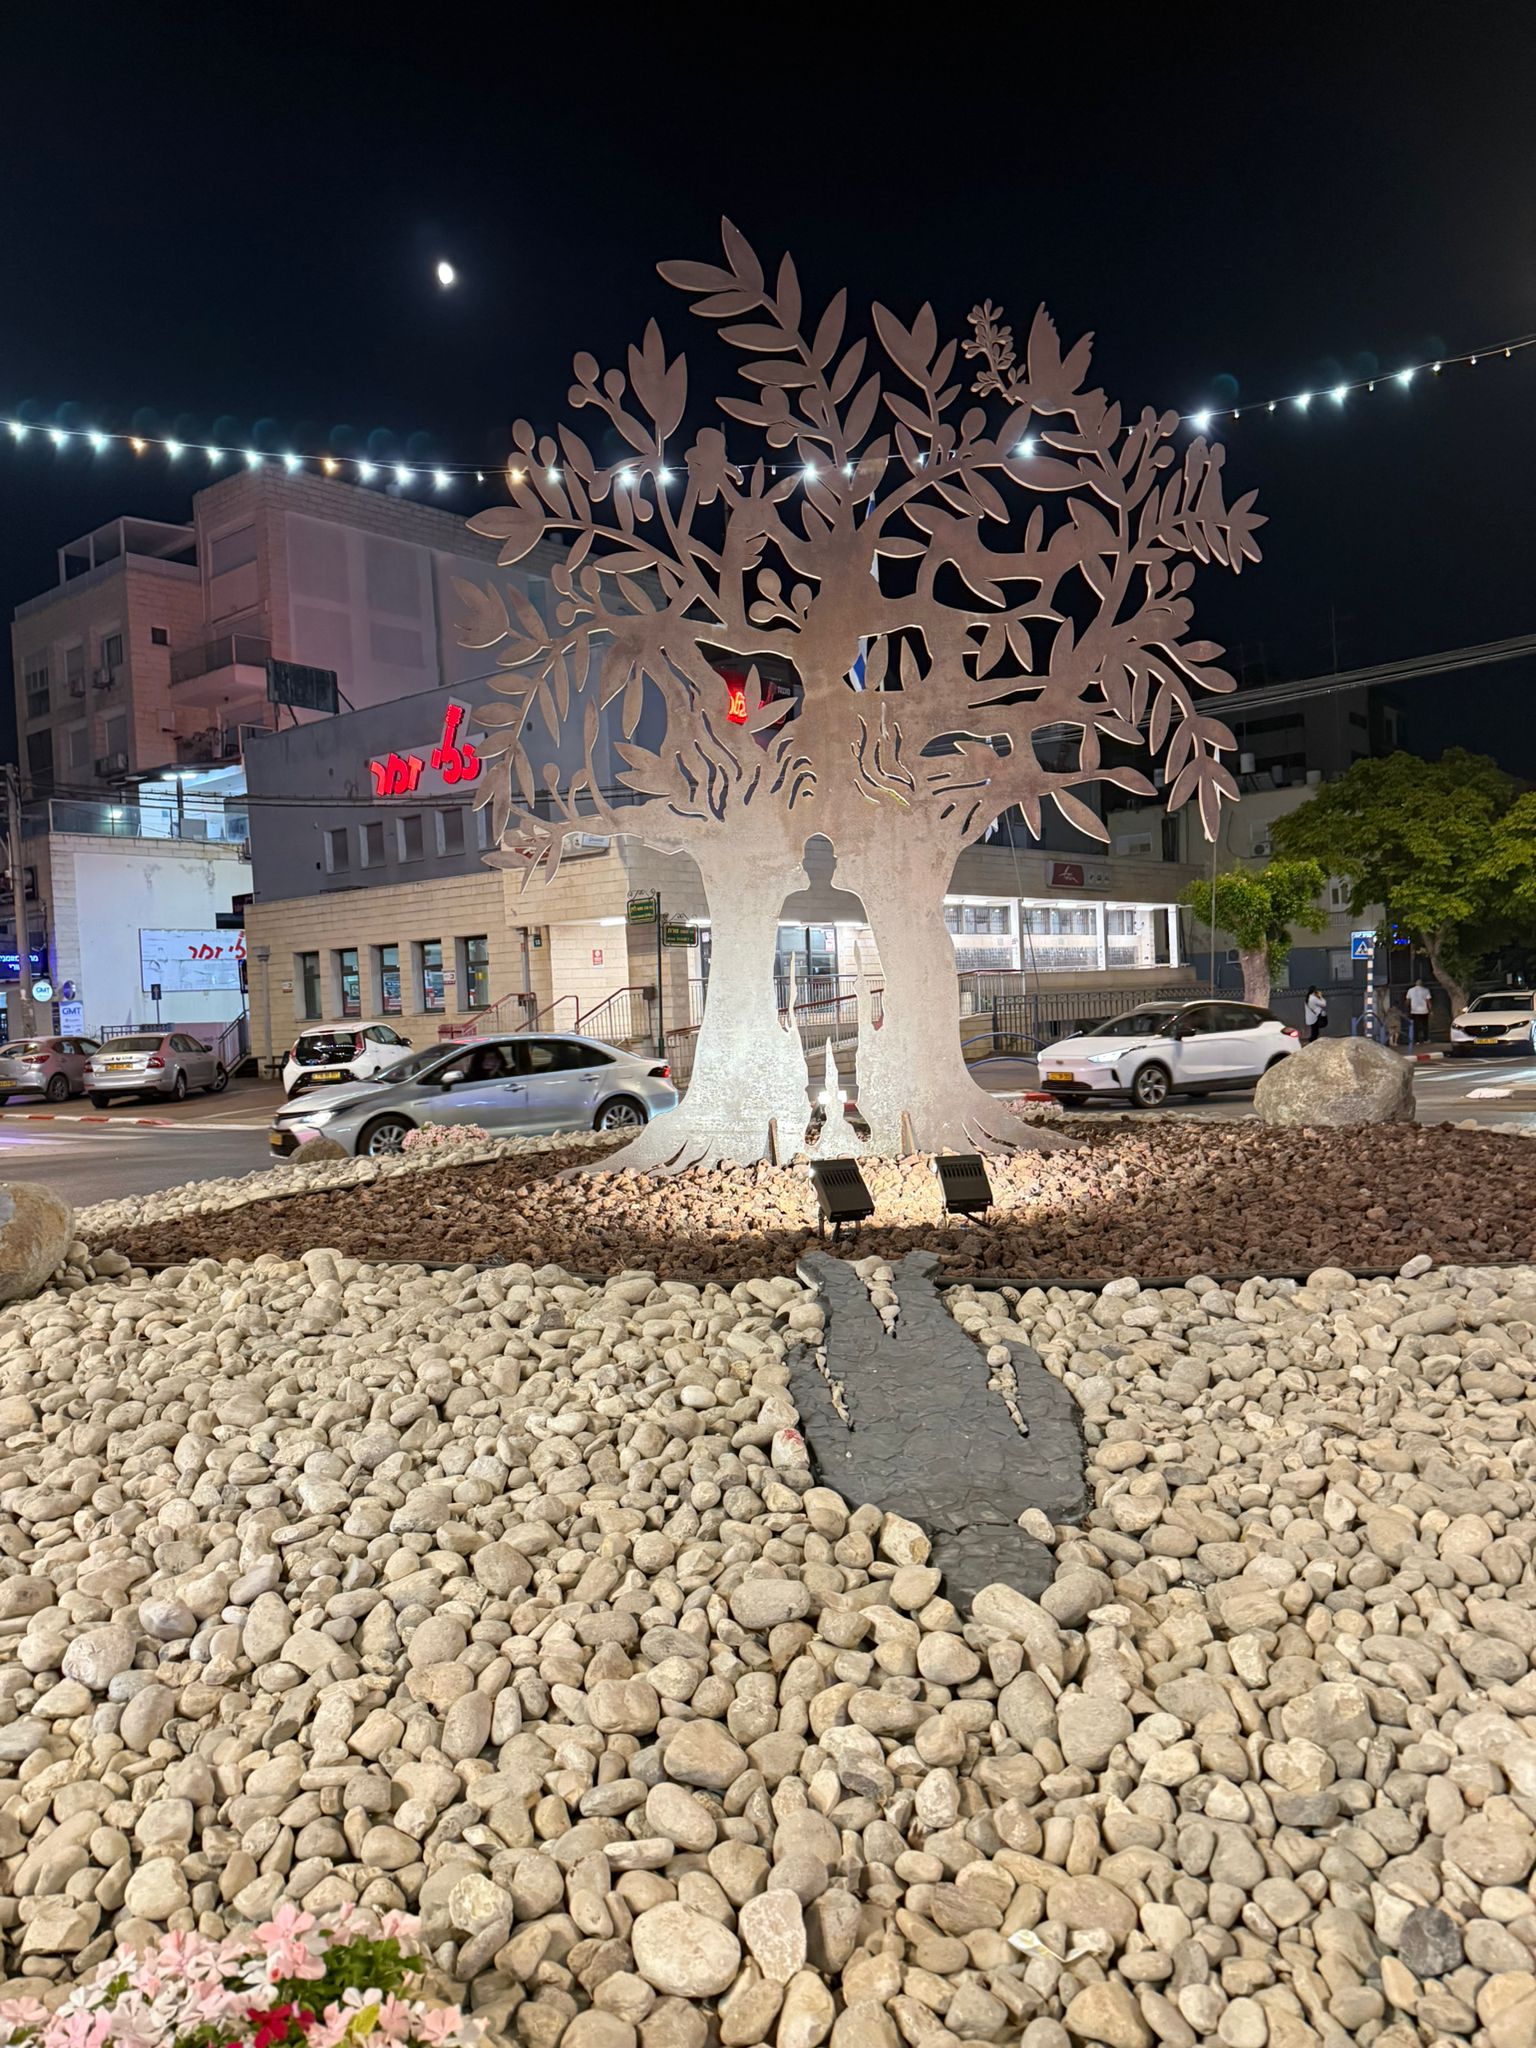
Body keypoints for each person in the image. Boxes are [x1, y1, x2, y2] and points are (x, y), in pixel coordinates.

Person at [1405, 977, 1433, 1048]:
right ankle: (1426, 1039)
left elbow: (1408, 1001)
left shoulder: (1410, 990)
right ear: (1422, 984)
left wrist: (1407, 1009)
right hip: (1424, 1011)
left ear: (1415, 983)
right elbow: (1428, 1002)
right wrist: (1431, 1010)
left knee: (1415, 1026)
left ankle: (1416, 1040)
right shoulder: (1426, 990)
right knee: (1425, 1025)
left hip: (1414, 1011)